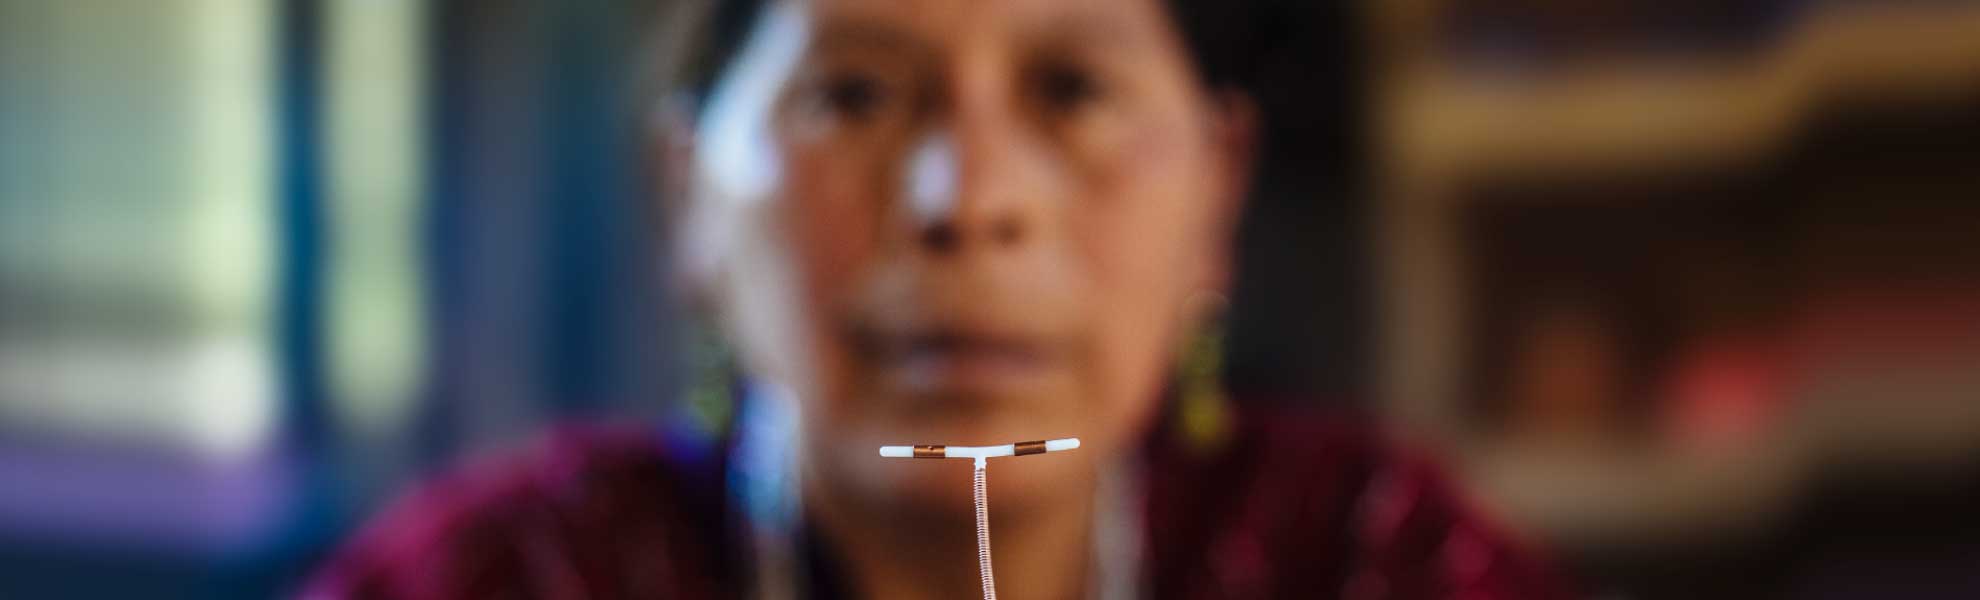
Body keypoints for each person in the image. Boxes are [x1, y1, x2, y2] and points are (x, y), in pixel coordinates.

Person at [307, 0, 1570, 597]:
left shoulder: (1369, 561)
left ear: (1218, 191)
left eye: (1074, 92)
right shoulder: (505, 584)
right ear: (687, 196)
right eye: (853, 95)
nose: (967, 198)